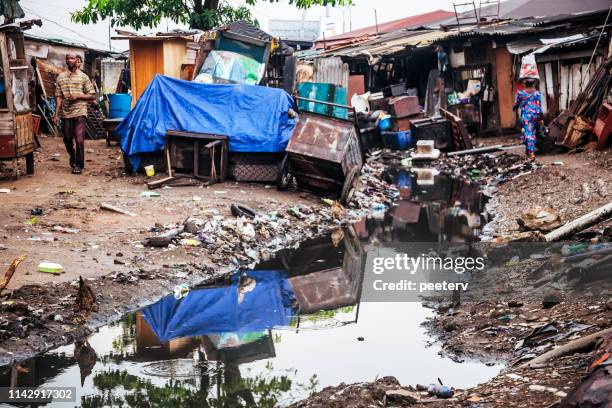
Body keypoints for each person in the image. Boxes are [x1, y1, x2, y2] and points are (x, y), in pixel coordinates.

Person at [53, 53, 95, 174]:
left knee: (79, 139)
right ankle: (73, 156)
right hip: (66, 113)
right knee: (66, 138)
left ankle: (79, 165)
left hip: (80, 111)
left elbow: (92, 95)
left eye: (71, 58)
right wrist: (56, 114)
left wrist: (78, 96)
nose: (69, 60)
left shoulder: (83, 77)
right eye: (67, 58)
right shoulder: (61, 77)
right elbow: (58, 96)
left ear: (77, 60)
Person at [513, 78, 543, 161]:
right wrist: (541, 118)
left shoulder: (521, 94)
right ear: (533, 84)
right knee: (531, 132)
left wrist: (515, 107)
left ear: (525, 85)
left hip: (527, 116)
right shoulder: (537, 94)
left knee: (528, 133)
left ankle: (531, 153)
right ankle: (529, 150)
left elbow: (516, 105)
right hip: (536, 115)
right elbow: (539, 106)